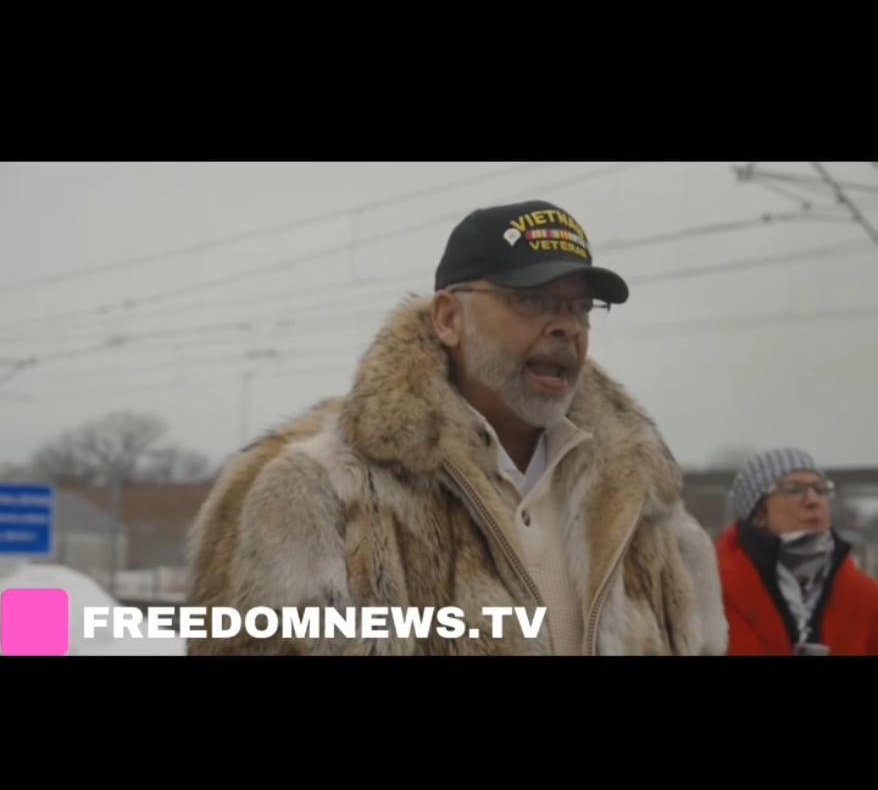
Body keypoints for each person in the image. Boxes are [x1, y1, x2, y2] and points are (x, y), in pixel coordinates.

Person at [186, 198, 728, 657]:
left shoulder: (641, 505)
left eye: (581, 307)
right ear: (449, 318)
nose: (567, 326)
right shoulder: (314, 492)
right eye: (532, 300)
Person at [717, 449, 878, 656]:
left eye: (821, 489)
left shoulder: (864, 596)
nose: (813, 500)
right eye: (793, 490)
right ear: (758, 513)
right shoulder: (713, 591)